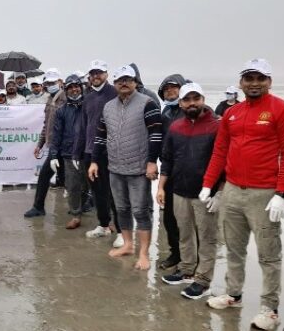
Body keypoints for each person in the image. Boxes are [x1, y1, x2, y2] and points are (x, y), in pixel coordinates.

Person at [201, 59, 284, 330]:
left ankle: (270, 308)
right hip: (233, 190)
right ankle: (233, 294)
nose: (254, 83)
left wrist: (282, 192)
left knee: (269, 253)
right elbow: (220, 150)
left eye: (260, 78)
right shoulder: (233, 112)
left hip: (265, 193)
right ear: (241, 82)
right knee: (233, 248)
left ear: (269, 81)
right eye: (249, 78)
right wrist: (208, 184)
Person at [88, 65, 162, 270]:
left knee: (140, 211)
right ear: (114, 83)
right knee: (121, 209)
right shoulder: (108, 106)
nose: (124, 83)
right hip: (115, 168)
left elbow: (156, 135)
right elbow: (101, 136)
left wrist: (151, 162)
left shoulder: (148, 103)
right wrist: (94, 161)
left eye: (128, 79)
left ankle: (144, 254)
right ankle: (128, 245)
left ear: (135, 82)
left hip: (139, 169)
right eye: (120, 80)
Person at [157, 83, 221, 300]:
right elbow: (167, 159)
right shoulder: (175, 127)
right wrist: (161, 187)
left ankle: (203, 280)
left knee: (207, 237)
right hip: (179, 190)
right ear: (181, 103)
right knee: (184, 233)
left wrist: (219, 192)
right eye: (187, 99)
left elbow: (223, 161)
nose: (192, 103)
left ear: (203, 99)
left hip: (206, 193)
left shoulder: (217, 125)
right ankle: (187, 270)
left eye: (196, 98)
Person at [73, 60, 123, 248]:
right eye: (92, 73)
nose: (96, 76)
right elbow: (84, 126)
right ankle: (103, 225)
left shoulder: (115, 93)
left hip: (110, 152)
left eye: (99, 73)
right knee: (97, 192)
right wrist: (78, 152)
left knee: (114, 193)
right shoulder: (88, 97)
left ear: (107, 74)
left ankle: (121, 231)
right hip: (89, 151)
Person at [24, 69, 67, 217]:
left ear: (60, 82)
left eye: (52, 82)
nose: (50, 85)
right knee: (65, 178)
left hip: (62, 146)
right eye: (47, 83)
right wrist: (40, 145)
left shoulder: (65, 99)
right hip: (53, 146)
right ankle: (85, 204)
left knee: (46, 176)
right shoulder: (50, 99)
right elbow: (46, 125)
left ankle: (38, 207)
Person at [156, 74, 187, 270]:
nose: (170, 91)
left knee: (189, 220)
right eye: (166, 89)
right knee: (169, 218)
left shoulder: (195, 110)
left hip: (192, 173)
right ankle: (175, 253)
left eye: (174, 88)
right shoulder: (165, 113)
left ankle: (191, 259)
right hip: (169, 171)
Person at [49, 75, 84, 229]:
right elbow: (56, 134)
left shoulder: (89, 105)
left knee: (98, 187)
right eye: (70, 87)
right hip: (69, 153)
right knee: (73, 186)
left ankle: (107, 220)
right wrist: (53, 155)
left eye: (76, 86)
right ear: (66, 90)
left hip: (89, 152)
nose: (74, 90)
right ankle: (76, 214)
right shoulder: (61, 110)